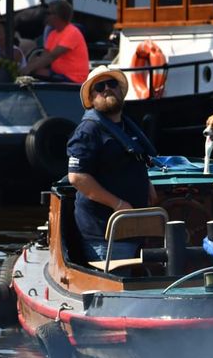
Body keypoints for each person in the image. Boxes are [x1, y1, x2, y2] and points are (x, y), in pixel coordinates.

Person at [66, 66, 159, 262]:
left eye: (112, 83)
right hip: (106, 234)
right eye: (100, 87)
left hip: (133, 229)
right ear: (91, 98)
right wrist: (117, 204)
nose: (107, 88)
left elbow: (131, 159)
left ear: (120, 90)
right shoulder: (88, 131)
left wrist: (147, 183)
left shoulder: (126, 126)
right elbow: (77, 177)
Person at [21, 0, 89, 82]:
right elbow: (44, 56)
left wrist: (28, 69)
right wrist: (30, 65)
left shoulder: (71, 32)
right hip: (59, 74)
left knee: (37, 73)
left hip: (74, 79)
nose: (46, 16)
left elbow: (51, 57)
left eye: (48, 13)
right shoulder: (53, 34)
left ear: (58, 15)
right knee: (37, 72)